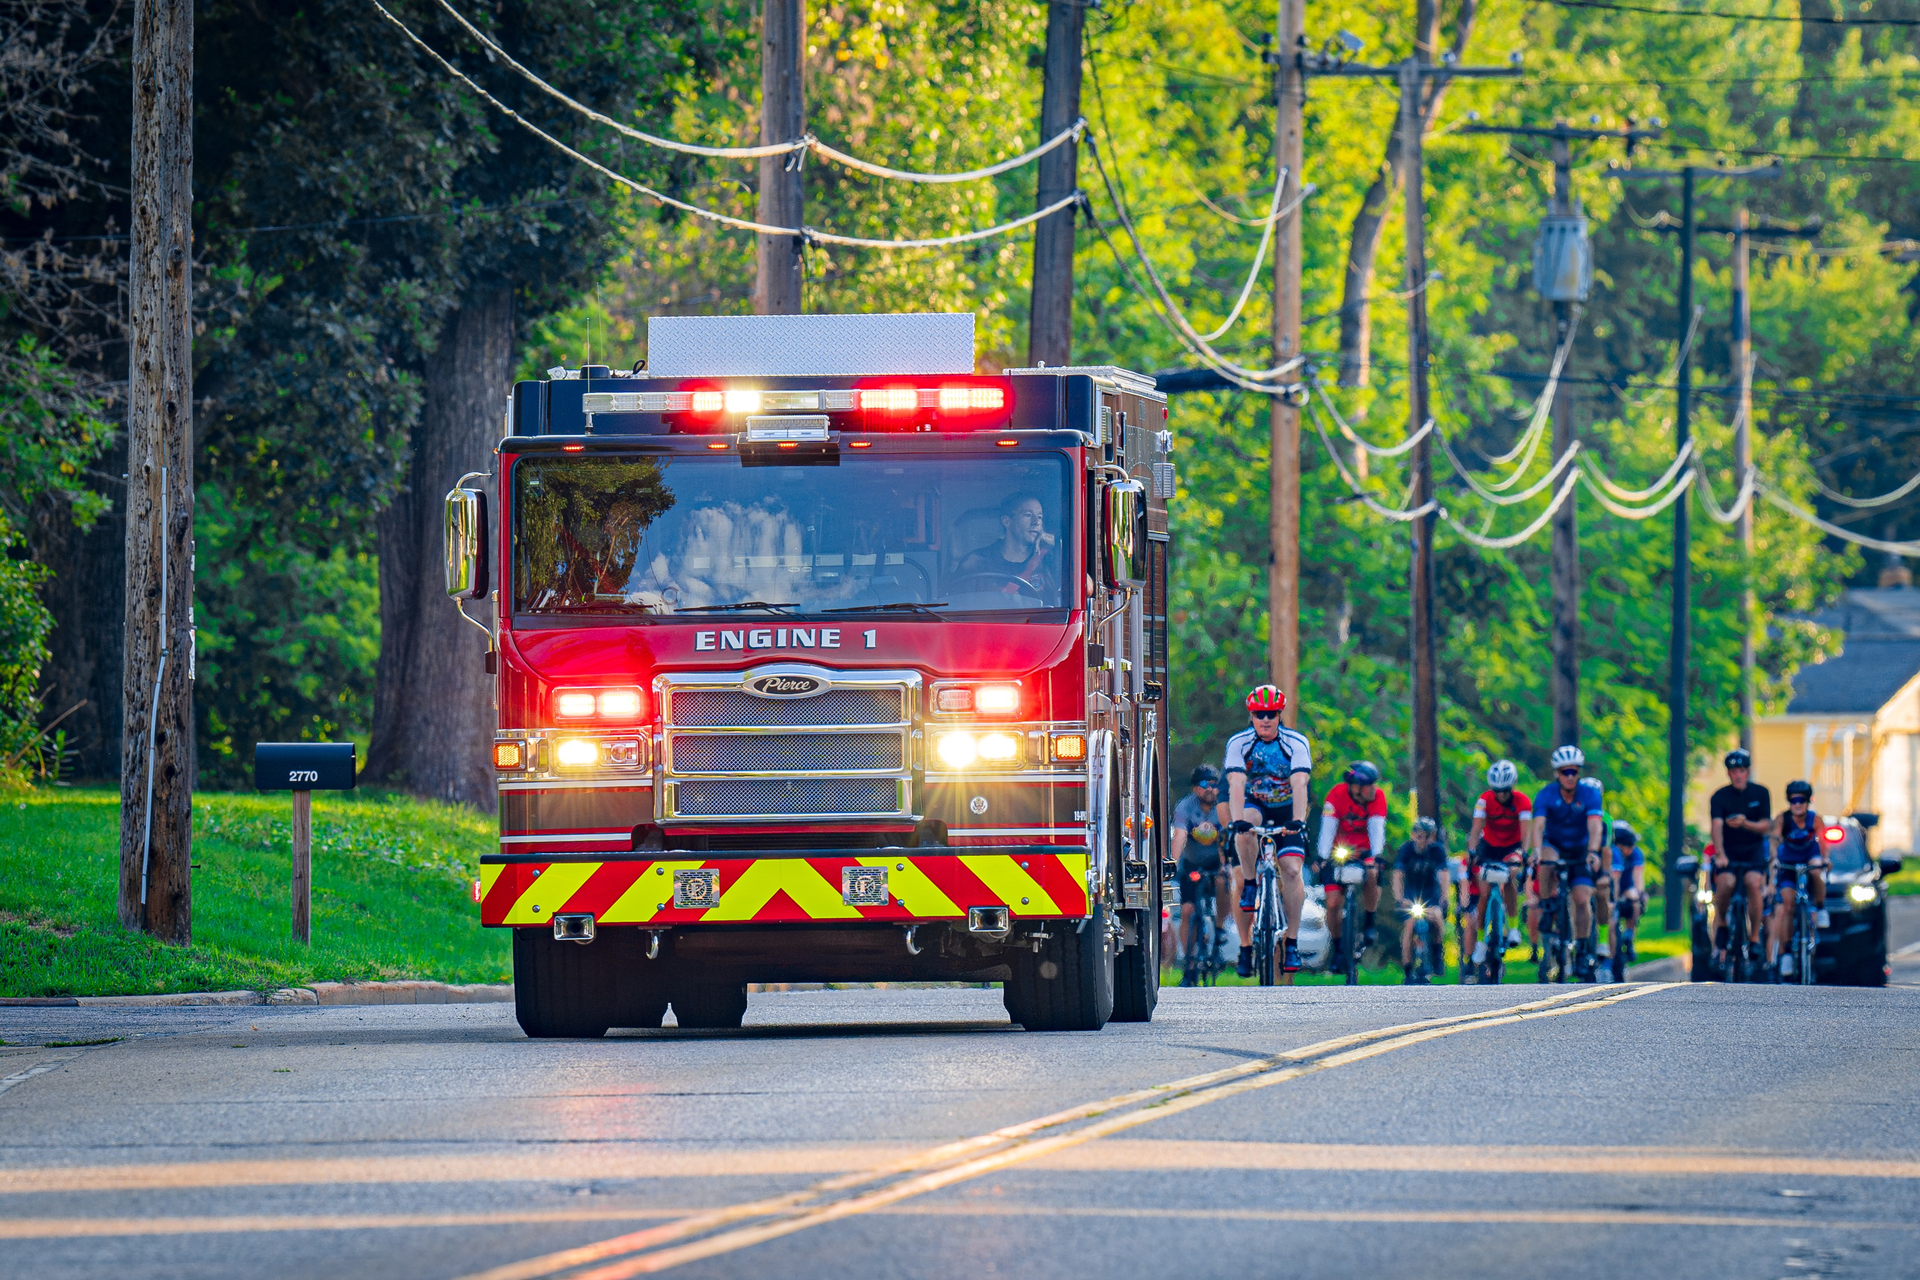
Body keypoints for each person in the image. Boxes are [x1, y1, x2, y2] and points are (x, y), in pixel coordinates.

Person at [1221, 684, 1313, 977]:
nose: (1265, 720)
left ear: (1279, 715)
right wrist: (1237, 822)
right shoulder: (1240, 742)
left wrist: (1298, 819)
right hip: (1255, 804)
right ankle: (1250, 883)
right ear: (1251, 714)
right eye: (1260, 714)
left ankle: (1293, 941)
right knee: (1245, 822)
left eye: (1271, 714)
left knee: (1292, 870)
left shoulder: (1295, 743)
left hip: (1286, 808)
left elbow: (1300, 783)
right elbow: (1236, 783)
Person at [1530, 745, 1606, 980]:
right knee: (1546, 861)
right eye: (1565, 772)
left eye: (1574, 772)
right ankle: (1546, 906)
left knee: (1582, 899)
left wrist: (1593, 851)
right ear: (1557, 774)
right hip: (1554, 845)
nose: (1570, 777)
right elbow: (1539, 825)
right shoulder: (1546, 794)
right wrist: (1535, 850)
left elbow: (1595, 826)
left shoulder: (1589, 795)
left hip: (1580, 850)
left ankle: (1582, 950)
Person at [1318, 761, 1388, 968]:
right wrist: (1322, 857)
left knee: (1372, 872)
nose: (1373, 790)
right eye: (1369, 786)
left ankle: (1369, 921)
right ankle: (1338, 948)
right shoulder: (1336, 795)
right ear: (1355, 786)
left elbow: (1377, 828)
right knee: (1332, 904)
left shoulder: (1378, 797)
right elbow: (1327, 827)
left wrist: (1376, 855)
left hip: (1364, 851)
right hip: (1338, 850)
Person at [1708, 747, 1771, 970]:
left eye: (1742, 770)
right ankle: (1723, 921)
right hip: (1729, 851)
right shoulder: (1719, 796)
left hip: (1752, 850)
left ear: (1748, 771)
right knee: (1726, 883)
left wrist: (1745, 823)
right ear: (1728, 773)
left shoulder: (1761, 793)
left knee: (1753, 883)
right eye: (1734, 770)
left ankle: (1754, 938)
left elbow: (1766, 826)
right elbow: (1716, 825)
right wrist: (1720, 854)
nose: (1738, 774)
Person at [1465, 759, 1531, 970]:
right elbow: (1476, 829)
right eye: (1497, 791)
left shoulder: (1522, 801)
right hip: (1489, 847)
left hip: (1512, 846)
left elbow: (1527, 832)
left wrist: (1523, 853)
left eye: (1505, 790)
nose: (1501, 795)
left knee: (1510, 877)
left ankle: (1512, 927)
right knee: (1484, 893)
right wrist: (1472, 851)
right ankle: (1482, 942)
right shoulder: (1484, 800)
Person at [1170, 765, 1229, 985]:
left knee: (1224, 881)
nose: (1211, 790)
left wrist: (1225, 864)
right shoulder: (1185, 806)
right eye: (1206, 785)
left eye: (1215, 785)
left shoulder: (1222, 807)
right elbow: (1180, 836)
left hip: (1216, 862)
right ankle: (1189, 964)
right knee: (1187, 911)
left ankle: (1221, 928)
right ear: (1196, 788)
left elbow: (1225, 837)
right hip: (1192, 864)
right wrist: (1172, 865)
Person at [1769, 780, 1831, 978]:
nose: (1798, 804)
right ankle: (1786, 953)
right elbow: (1775, 839)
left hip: (1809, 858)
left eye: (1801, 800)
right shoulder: (1783, 819)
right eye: (1794, 800)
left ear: (1808, 801)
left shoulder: (1815, 819)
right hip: (1788, 863)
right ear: (1789, 801)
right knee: (1787, 904)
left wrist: (1826, 859)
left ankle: (1820, 908)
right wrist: (1774, 859)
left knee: (1816, 871)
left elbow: (1823, 843)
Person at [957, 492, 1058, 600]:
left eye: (1039, 517)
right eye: (1028, 515)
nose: (1036, 522)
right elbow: (958, 607)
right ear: (1007, 521)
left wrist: (1056, 545)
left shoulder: (1047, 560)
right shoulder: (976, 562)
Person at [1393, 817, 1449, 983]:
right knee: (1409, 925)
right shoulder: (1406, 850)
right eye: (1419, 834)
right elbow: (1398, 875)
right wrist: (1399, 898)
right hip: (1410, 897)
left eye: (1426, 835)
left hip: (1430, 895)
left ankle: (1438, 953)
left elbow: (1444, 875)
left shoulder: (1437, 851)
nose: (1422, 839)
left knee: (1436, 917)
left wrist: (1443, 898)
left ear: (1432, 837)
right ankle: (1408, 967)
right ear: (1413, 834)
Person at [1609, 820, 1646, 970]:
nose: (1632, 848)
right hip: (1610, 889)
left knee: (1634, 900)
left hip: (1626, 887)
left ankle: (1629, 937)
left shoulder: (1636, 853)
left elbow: (1638, 877)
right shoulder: (1612, 853)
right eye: (1628, 845)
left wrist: (1639, 893)